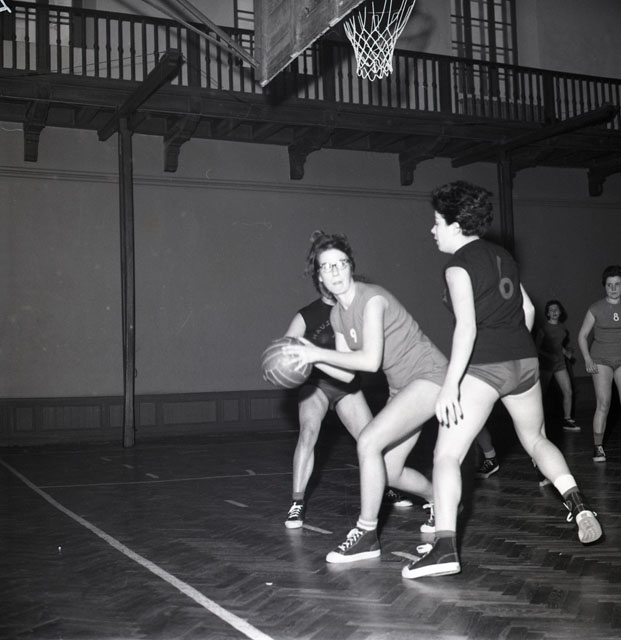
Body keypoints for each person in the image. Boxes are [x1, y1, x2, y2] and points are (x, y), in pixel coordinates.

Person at [402, 181, 603, 580]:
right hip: (524, 362)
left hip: (486, 365)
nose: (433, 230)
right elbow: (527, 309)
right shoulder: (503, 256)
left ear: (456, 225)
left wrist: (450, 385)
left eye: (437, 223)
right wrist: (514, 344)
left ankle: (444, 549)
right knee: (537, 439)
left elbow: (466, 329)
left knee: (447, 455)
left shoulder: (458, 266)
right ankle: (579, 504)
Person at [285, 231, 447, 562]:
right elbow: (347, 374)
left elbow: (371, 361)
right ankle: (440, 502)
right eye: (326, 267)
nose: (334, 272)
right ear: (319, 277)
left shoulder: (372, 299)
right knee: (388, 471)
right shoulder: (337, 315)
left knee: (368, 441)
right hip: (402, 388)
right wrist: (304, 361)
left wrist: (316, 353)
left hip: (430, 376)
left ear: (351, 266)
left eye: (340, 263)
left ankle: (367, 534)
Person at [283, 289, 413, 529]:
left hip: (347, 386)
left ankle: (386, 487)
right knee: (308, 432)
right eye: (325, 271)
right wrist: (280, 364)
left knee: (373, 440)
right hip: (316, 385)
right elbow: (286, 348)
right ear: (319, 279)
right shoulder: (306, 315)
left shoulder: (355, 311)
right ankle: (297, 502)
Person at [577, 265, 621, 462]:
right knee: (604, 403)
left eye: (618, 284)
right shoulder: (595, 308)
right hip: (601, 360)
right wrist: (587, 359)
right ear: (604, 286)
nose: (614, 288)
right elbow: (582, 335)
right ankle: (598, 446)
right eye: (610, 285)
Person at [536, 299, 580, 432]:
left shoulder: (562, 327)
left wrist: (567, 353)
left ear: (560, 312)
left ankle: (567, 420)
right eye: (551, 310)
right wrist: (549, 356)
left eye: (556, 309)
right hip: (546, 365)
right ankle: (537, 422)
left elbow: (558, 345)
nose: (554, 312)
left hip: (560, 364)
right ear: (547, 313)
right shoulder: (544, 328)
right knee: (540, 394)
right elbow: (536, 348)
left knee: (568, 392)